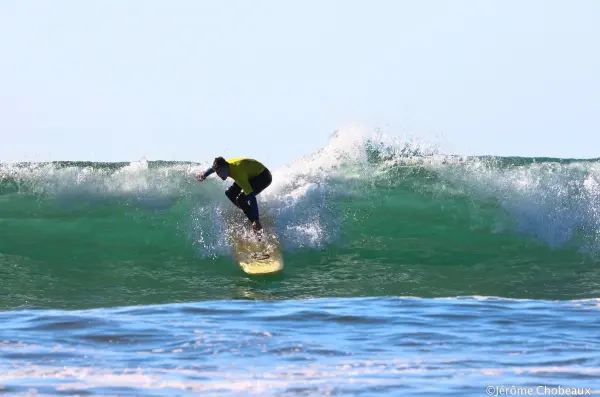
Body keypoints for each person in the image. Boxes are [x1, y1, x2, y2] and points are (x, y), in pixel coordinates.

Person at [196, 157, 272, 232]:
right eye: (218, 172)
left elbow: (252, 198)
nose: (220, 174)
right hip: (249, 174)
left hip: (263, 176)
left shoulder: (238, 174)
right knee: (229, 193)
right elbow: (213, 169)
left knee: (241, 200)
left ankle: (256, 224)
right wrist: (204, 175)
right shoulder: (224, 166)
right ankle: (248, 213)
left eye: (221, 171)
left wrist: (256, 220)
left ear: (226, 167)